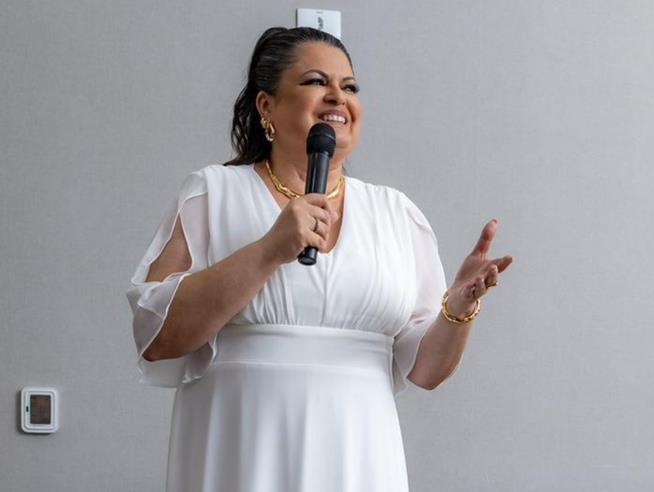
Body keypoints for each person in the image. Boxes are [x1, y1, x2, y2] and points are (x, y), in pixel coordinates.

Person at [125, 26, 513, 492]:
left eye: (349, 86)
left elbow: (425, 371)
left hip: (359, 456)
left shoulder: (397, 213)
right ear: (266, 106)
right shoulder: (213, 193)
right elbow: (157, 336)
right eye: (315, 81)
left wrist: (459, 307)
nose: (337, 97)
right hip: (242, 449)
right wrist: (269, 250)